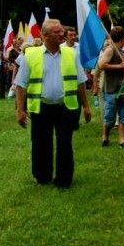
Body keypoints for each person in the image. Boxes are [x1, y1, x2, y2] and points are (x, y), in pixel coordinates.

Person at [14, 19, 92, 188]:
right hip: (41, 107)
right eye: (57, 32)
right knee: (41, 143)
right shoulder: (31, 55)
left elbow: (80, 82)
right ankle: (42, 176)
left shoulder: (72, 54)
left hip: (66, 107)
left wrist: (86, 106)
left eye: (61, 31)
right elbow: (21, 84)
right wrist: (20, 110)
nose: (61, 34)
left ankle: (64, 179)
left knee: (65, 143)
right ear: (45, 35)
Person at [98, 26, 124, 149]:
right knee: (110, 116)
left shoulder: (122, 52)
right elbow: (102, 64)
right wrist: (119, 66)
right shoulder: (110, 50)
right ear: (122, 39)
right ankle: (105, 137)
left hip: (123, 89)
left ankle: (122, 140)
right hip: (111, 88)